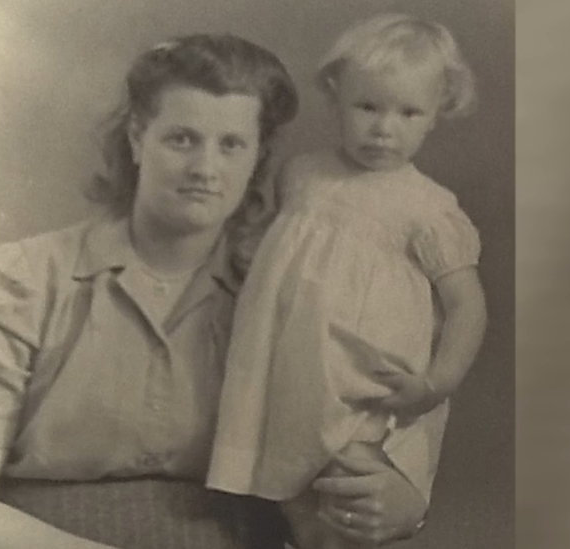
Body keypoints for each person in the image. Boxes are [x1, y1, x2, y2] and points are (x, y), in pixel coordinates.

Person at [0, 33, 429, 549]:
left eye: (231, 145)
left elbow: (339, 468)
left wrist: (400, 501)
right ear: (136, 138)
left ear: (258, 155)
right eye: (181, 139)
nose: (205, 169)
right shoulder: (27, 279)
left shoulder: (289, 294)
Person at [205, 14, 488, 549]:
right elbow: (281, 252)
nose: (385, 128)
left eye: (409, 112)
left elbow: (467, 307)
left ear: (436, 114)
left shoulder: (428, 210)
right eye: (368, 107)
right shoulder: (303, 173)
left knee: (350, 505)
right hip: (287, 373)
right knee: (292, 503)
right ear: (335, 97)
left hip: (358, 385)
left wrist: (436, 383)